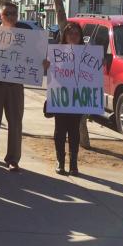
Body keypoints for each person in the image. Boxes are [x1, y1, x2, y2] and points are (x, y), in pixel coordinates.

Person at [0, 2, 48, 172]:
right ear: (0, 16)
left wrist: (43, 65)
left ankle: (13, 159)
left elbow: (35, 57)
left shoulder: (25, 35)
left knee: (15, 123)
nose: (11, 16)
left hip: (15, 85)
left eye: (13, 13)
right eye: (7, 13)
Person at [49, 22, 85, 176]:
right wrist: (46, 65)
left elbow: (93, 74)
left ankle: (74, 163)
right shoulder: (57, 52)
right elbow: (50, 72)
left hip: (77, 98)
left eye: (76, 33)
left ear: (80, 37)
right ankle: (60, 161)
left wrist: (100, 64)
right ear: (64, 35)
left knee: (74, 131)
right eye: (70, 33)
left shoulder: (87, 53)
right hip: (60, 97)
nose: (73, 36)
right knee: (60, 131)